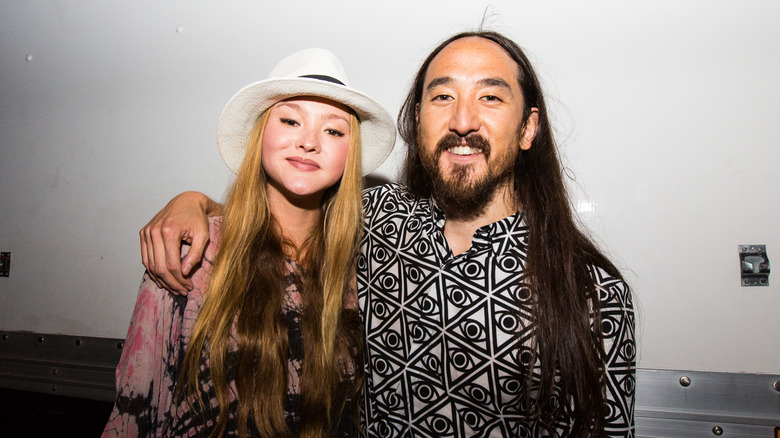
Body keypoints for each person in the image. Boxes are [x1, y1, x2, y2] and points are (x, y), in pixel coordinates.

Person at [140, 31, 636, 437]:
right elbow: (283, 208)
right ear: (418, 122)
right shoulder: (382, 220)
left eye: (489, 97)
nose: (463, 120)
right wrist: (195, 203)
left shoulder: (591, 292)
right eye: (443, 97)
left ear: (528, 128)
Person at [103, 48, 396, 437]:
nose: (309, 142)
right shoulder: (193, 253)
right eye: (290, 120)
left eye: (333, 130)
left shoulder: (366, 267)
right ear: (260, 135)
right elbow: (134, 411)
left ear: (350, 153)